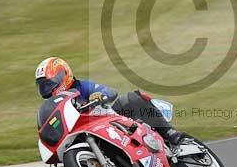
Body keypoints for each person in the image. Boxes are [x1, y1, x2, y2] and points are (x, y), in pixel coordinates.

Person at [34, 56, 186, 145]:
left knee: (131, 98)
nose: (48, 89)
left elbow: (109, 91)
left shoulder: (81, 86)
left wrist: (99, 95)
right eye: (44, 86)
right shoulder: (54, 106)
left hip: (109, 121)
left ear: (64, 75)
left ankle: (168, 132)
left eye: (49, 83)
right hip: (87, 136)